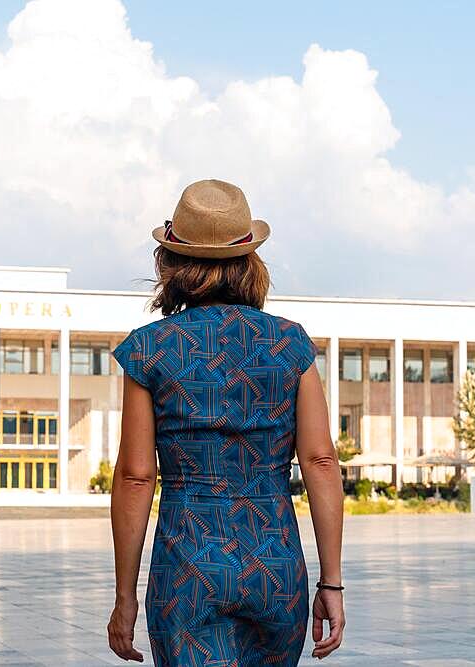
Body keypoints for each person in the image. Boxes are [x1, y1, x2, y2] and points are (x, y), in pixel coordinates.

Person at [107, 180, 345, 666]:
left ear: (170, 263)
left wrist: (125, 597)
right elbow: (320, 461)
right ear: (250, 261)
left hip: (188, 562)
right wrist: (332, 582)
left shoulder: (150, 348)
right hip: (274, 562)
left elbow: (136, 476)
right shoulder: (290, 344)